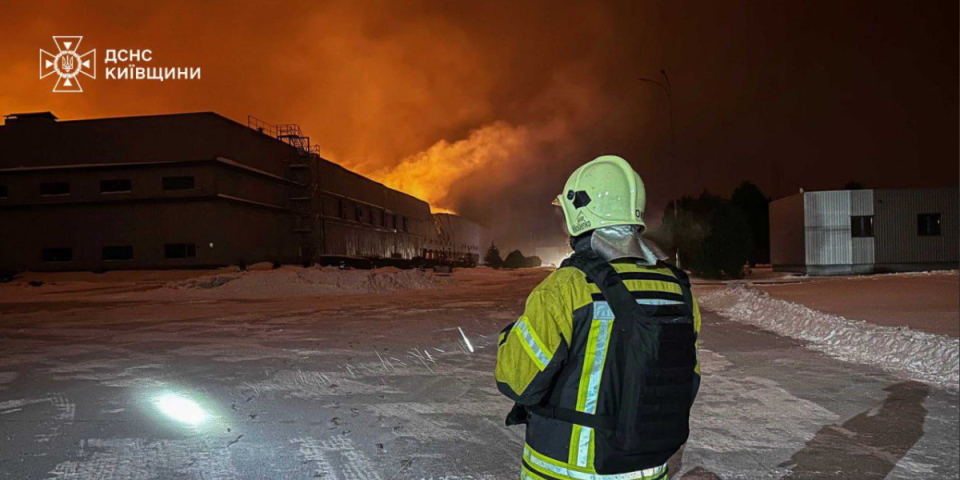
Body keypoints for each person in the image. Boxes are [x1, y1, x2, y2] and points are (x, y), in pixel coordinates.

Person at [495, 155, 701, 480]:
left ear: (580, 214)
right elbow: (686, 380)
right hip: (648, 468)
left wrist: (509, 338)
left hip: (565, 472)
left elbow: (517, 381)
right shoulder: (678, 287)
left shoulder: (566, 287)